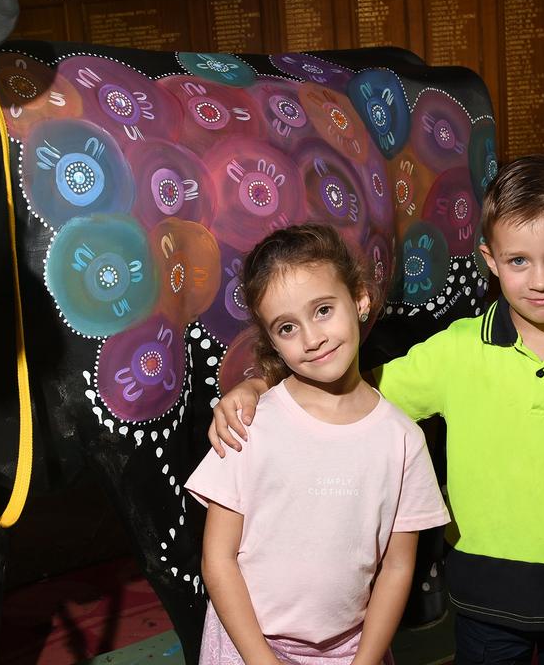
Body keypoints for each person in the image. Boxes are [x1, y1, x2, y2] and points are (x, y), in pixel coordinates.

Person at [208, 155, 544, 665]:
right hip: (485, 597)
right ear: (490, 260)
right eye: (519, 260)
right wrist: (257, 385)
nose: (540, 280)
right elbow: (348, 390)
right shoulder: (456, 350)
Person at [186, 223, 450, 665]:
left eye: (323, 310)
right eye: (287, 327)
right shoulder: (249, 425)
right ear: (271, 340)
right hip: (247, 649)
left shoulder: (403, 441)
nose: (312, 338)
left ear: (360, 299)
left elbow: (398, 568)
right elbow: (218, 560)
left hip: (351, 653)